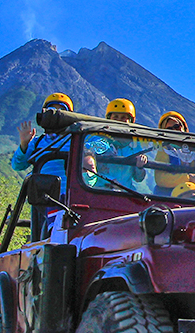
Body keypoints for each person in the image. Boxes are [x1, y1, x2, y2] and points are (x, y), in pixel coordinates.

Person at [12, 92, 74, 240]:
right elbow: (18, 165)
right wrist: (24, 144)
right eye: (51, 110)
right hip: (43, 198)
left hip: (71, 195)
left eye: (61, 111)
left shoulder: (75, 139)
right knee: (45, 234)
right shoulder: (38, 142)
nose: (55, 115)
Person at [83, 99, 149, 191]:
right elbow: (87, 164)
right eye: (116, 117)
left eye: (123, 118)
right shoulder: (99, 139)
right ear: (109, 119)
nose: (119, 121)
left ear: (130, 121)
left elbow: (138, 179)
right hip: (100, 191)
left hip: (126, 193)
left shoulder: (135, 145)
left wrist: (140, 166)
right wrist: (109, 181)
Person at [153, 111, 195, 197]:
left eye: (177, 126)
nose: (174, 130)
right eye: (169, 129)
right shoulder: (164, 150)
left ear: (183, 127)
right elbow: (160, 178)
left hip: (194, 197)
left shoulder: (193, 147)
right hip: (168, 199)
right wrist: (189, 178)